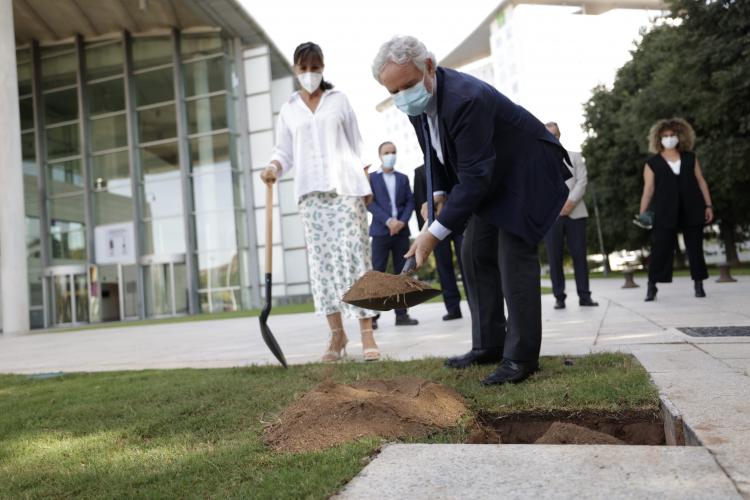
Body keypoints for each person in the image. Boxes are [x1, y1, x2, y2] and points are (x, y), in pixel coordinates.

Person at [372, 36, 571, 385]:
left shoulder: (466, 99)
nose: (402, 96)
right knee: (474, 252)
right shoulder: (416, 106)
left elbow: (477, 177)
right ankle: (489, 345)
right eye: (394, 92)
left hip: (524, 174)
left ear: (429, 68)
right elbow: (434, 151)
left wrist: (431, 236)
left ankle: (520, 358)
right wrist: (437, 191)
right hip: (490, 178)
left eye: (407, 85)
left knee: (512, 257)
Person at [261, 42, 379, 362]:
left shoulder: (338, 100)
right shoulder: (288, 109)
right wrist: (273, 167)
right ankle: (337, 337)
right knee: (323, 265)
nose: (310, 74)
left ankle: (367, 334)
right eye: (304, 68)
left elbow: (358, 143)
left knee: (355, 260)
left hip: (345, 190)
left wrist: (366, 182)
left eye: (315, 68)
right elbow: (283, 151)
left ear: (323, 68)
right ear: (296, 70)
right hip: (311, 196)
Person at [639, 118, 713, 301]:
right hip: (664, 211)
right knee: (660, 248)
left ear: (680, 136)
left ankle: (699, 284)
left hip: (693, 208)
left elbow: (701, 181)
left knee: (695, 248)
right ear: (659, 139)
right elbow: (648, 190)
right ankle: (652, 286)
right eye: (665, 136)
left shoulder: (690, 157)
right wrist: (642, 213)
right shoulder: (652, 163)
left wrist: (708, 205)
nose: (669, 138)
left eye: (672, 135)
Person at [543, 122, 599, 310]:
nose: (553, 137)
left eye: (555, 134)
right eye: (548, 134)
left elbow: (582, 181)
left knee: (579, 256)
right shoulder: (540, 161)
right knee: (554, 257)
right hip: (552, 216)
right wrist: (557, 206)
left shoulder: (575, 157)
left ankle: (585, 296)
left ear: (560, 135)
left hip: (576, 213)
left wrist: (570, 202)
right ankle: (559, 297)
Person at [367, 141, 419, 328]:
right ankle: (372, 317)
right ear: (380, 155)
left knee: (402, 273)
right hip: (381, 232)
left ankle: (402, 315)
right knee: (377, 273)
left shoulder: (403, 178)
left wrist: (401, 222)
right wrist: (389, 221)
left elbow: (410, 202)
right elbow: (370, 203)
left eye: (393, 152)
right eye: (387, 152)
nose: (391, 155)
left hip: (401, 233)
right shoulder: (372, 178)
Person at [414, 164, 464, 320]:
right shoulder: (421, 171)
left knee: (466, 261)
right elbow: (419, 200)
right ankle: (453, 308)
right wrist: (424, 233)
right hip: (435, 227)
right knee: (443, 266)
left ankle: (475, 304)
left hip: (459, 222)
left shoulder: (455, 162)